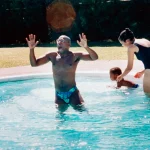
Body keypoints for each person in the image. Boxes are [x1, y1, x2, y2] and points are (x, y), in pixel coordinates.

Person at [26, 33, 98, 112]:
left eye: (62, 41)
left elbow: (94, 57)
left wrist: (86, 47)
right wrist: (31, 49)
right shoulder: (52, 56)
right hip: (59, 94)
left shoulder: (75, 56)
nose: (59, 42)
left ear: (69, 44)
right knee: (61, 120)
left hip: (72, 93)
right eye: (58, 40)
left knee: (82, 113)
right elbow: (34, 64)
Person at [117, 28, 150, 93]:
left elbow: (129, 67)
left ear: (127, 41)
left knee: (147, 96)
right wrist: (143, 72)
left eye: (122, 43)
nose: (122, 45)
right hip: (148, 69)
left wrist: (121, 76)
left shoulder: (131, 47)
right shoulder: (144, 40)